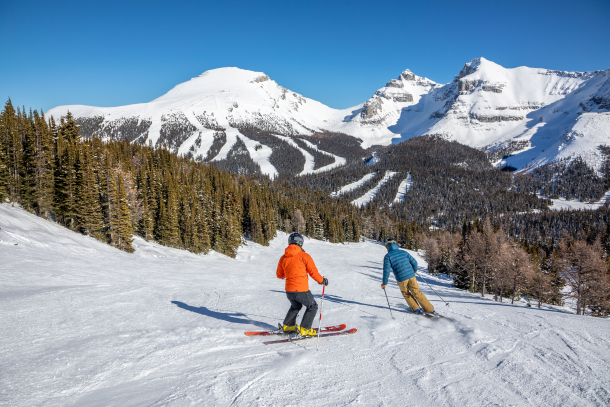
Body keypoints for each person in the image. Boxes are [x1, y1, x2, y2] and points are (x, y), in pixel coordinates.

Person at [277, 232, 329, 336]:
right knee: (312, 306)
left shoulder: (283, 257)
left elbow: (279, 274)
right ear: (301, 243)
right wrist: (321, 280)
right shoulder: (304, 256)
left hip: (289, 291)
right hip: (301, 290)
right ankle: (305, 329)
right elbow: (313, 272)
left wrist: (285, 275)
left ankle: (288, 326)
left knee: (295, 306)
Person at [381, 238, 435, 315]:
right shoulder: (404, 252)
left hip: (401, 279)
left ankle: (416, 309)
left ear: (387, 246)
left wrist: (384, 283)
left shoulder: (388, 256)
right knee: (417, 292)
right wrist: (414, 270)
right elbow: (414, 262)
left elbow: (386, 270)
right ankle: (430, 310)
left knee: (406, 294)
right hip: (411, 276)